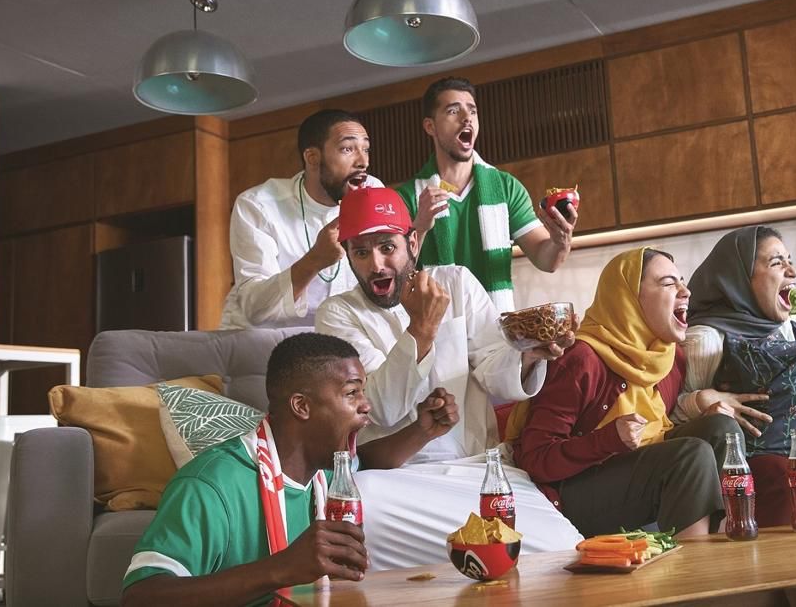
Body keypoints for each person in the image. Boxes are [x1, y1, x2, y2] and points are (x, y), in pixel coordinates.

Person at [315, 186, 583, 569]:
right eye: (361, 252)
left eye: (387, 248)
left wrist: (528, 354)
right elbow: (378, 408)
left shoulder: (457, 282)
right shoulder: (337, 314)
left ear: (412, 243)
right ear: (348, 256)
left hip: (478, 472)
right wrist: (422, 329)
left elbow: (495, 370)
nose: (376, 265)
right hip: (396, 482)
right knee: (361, 501)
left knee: (564, 554)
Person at [681, 226, 796, 607]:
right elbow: (673, 407)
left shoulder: (789, 329)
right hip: (735, 452)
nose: (792, 272)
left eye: (790, 261)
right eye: (776, 262)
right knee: (773, 471)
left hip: (794, 444)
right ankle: (766, 591)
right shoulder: (705, 337)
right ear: (737, 278)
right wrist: (706, 397)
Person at [121, 333, 371, 607]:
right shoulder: (209, 484)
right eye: (352, 393)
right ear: (302, 406)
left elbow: (373, 458)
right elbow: (139, 597)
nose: (366, 405)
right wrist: (281, 568)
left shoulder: (329, 476)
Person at [507, 247, 730, 539]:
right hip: (571, 492)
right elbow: (536, 459)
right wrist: (608, 439)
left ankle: (728, 550)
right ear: (629, 299)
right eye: (668, 283)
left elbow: (657, 428)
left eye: (682, 282)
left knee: (721, 429)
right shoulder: (582, 359)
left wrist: (704, 405)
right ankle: (696, 566)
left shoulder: (667, 356)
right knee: (691, 456)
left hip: (631, 470)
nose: (685, 291)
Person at [396, 76, 577, 311]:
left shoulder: (506, 187)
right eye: (453, 111)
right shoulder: (407, 197)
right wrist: (420, 226)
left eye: (472, 111)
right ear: (430, 126)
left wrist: (560, 242)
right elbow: (396, 274)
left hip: (497, 326)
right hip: (435, 328)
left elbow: (546, 259)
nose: (466, 118)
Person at [220, 109, 383, 329]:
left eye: (366, 149)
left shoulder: (373, 192)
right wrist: (315, 259)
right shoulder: (258, 205)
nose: (363, 162)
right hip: (261, 338)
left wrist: (417, 229)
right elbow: (255, 309)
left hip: (336, 336)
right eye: (347, 149)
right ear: (312, 157)